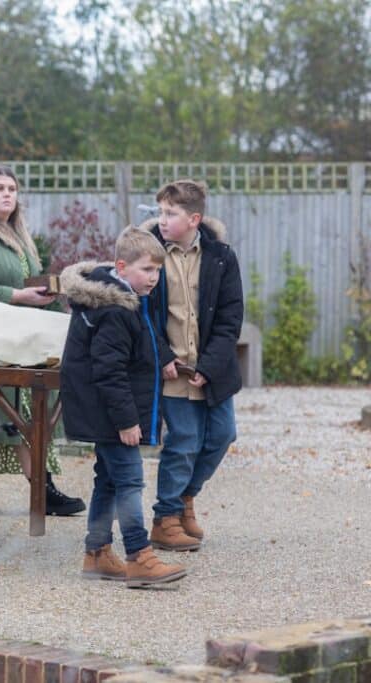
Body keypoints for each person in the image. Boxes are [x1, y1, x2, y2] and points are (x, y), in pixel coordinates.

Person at [0, 165, 85, 516]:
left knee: (32, 409)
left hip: (18, 339)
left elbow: (25, 285)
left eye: (12, 188)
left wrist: (43, 293)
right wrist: (18, 296)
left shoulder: (19, 236)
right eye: (0, 189)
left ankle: (43, 487)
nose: (8, 194)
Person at [59, 226, 185, 588]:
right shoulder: (115, 310)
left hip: (104, 412)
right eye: (147, 270)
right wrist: (128, 421)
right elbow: (110, 372)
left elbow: (141, 340)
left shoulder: (122, 299)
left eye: (158, 271)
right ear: (121, 266)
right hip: (111, 414)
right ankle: (138, 556)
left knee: (109, 481)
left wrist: (162, 357)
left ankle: (97, 553)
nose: (154, 278)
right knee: (129, 481)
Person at [145, 180, 243, 551]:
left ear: (194, 219)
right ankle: (165, 519)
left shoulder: (221, 256)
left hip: (212, 370)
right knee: (184, 440)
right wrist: (163, 356)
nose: (163, 219)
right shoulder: (150, 252)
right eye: (161, 212)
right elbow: (142, 313)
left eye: (171, 213)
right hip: (171, 370)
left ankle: (185, 498)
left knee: (222, 435)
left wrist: (211, 365)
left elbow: (230, 317)